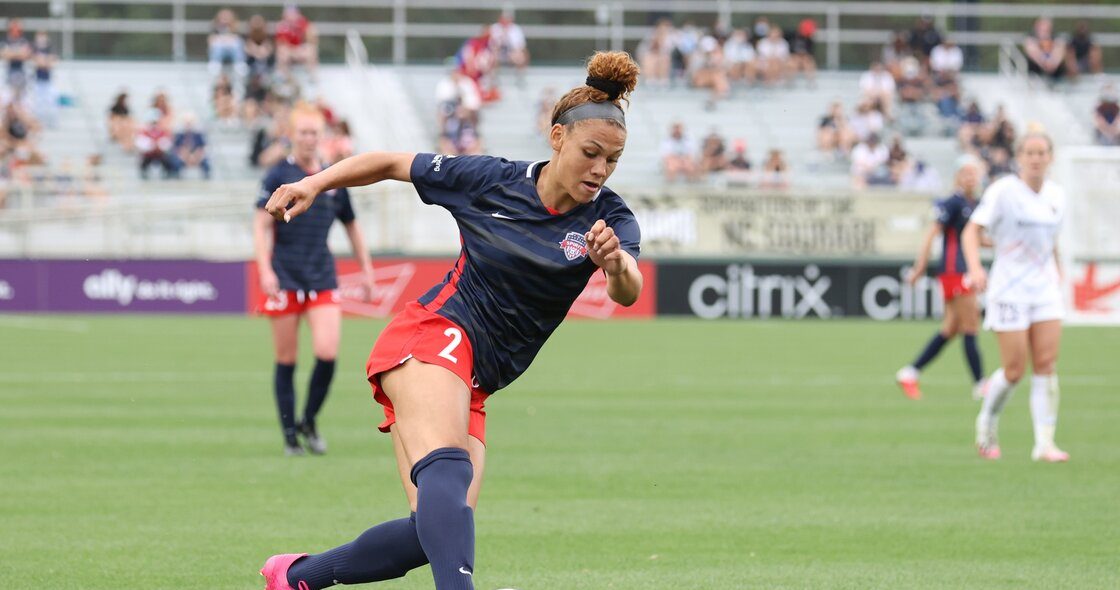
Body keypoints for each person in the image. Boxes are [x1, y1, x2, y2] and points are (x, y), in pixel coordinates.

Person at [258, 51, 643, 590]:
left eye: (613, 160)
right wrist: (316, 183)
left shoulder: (611, 218)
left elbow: (628, 291)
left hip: (475, 379)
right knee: (449, 474)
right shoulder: (491, 179)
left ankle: (297, 575)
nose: (600, 169)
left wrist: (616, 262)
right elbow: (393, 162)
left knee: (435, 529)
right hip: (431, 336)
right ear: (557, 138)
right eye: (591, 153)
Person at [252, 103, 376, 456]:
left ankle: (309, 419)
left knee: (327, 352)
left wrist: (365, 268)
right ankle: (290, 434)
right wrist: (265, 269)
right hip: (286, 276)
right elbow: (261, 224)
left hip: (322, 275)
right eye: (303, 132)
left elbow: (351, 224)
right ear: (291, 135)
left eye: (314, 132)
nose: (309, 138)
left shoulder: (331, 179)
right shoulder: (278, 175)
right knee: (287, 359)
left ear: (322, 137)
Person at [964, 131, 1069, 463]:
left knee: (1046, 365)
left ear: (1050, 157)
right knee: (1013, 370)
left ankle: (1044, 443)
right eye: (1030, 152)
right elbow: (972, 230)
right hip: (1009, 288)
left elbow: (1051, 242)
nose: (1036, 158)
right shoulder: (1003, 191)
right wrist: (976, 268)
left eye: (1042, 152)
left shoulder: (1057, 196)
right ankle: (987, 422)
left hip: (1045, 289)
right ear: (1019, 157)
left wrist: (1059, 272)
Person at [896, 158, 987, 400]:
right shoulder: (953, 203)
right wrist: (920, 267)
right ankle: (980, 384)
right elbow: (932, 234)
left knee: (951, 328)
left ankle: (910, 373)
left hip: (963, 270)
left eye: (973, 173)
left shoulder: (975, 204)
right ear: (957, 177)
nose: (970, 178)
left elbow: (977, 239)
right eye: (965, 173)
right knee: (971, 324)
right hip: (954, 271)